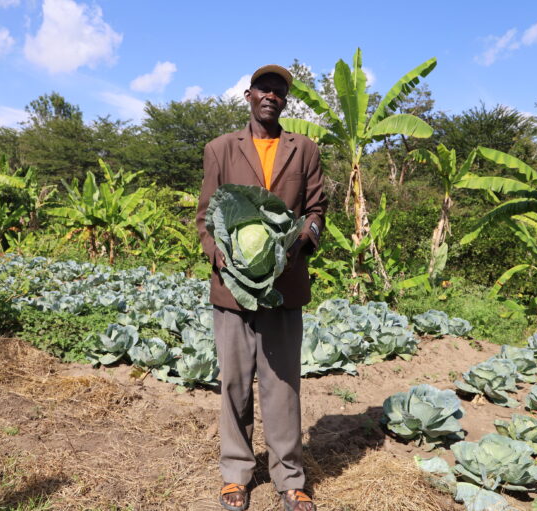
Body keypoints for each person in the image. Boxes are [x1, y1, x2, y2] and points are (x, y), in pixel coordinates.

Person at [196, 64, 327, 511]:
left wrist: (302, 239)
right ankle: (236, 473)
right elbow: (205, 220)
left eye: (279, 91)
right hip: (231, 289)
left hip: (284, 283)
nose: (271, 96)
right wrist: (226, 260)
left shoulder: (305, 149)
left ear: (286, 101)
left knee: (282, 384)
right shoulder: (219, 149)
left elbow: (315, 210)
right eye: (263, 89)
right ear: (249, 96)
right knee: (233, 383)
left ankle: (290, 478)